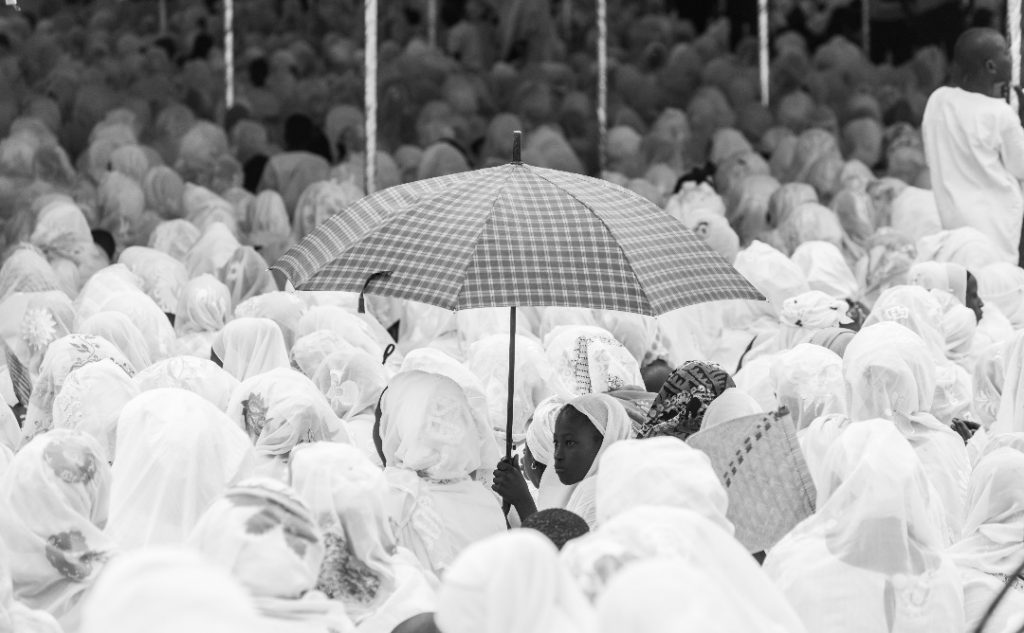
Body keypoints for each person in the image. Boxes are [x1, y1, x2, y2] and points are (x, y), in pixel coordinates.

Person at [922, 28, 1024, 265]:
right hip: (994, 229)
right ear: (991, 67)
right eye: (1007, 55)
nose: (1013, 58)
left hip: (954, 226)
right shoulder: (1000, 115)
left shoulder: (938, 100)